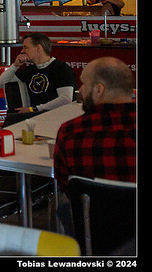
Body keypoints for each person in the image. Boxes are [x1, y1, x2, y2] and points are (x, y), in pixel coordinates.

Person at [53, 57, 136, 197]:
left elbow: (65, 186)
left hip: (90, 210)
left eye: (84, 83)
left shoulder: (70, 132)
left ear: (99, 90)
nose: (80, 90)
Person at [0, 32, 76, 124]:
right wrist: (15, 65)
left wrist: (34, 109)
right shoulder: (30, 70)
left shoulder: (61, 68)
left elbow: (65, 99)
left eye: (26, 47)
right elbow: (1, 83)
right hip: (36, 117)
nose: (22, 51)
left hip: (57, 117)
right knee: (11, 118)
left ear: (38, 48)